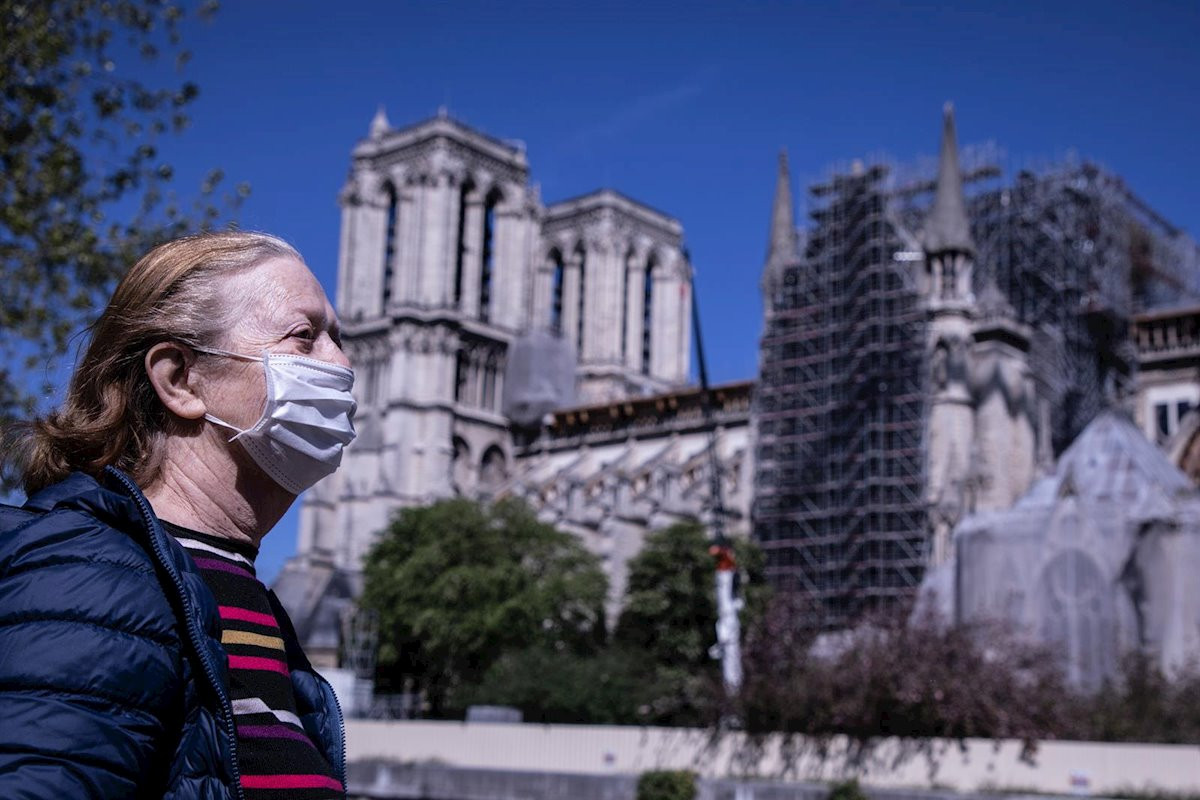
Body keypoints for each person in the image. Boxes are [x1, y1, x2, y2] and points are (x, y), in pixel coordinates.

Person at [0, 231, 356, 799]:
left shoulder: (233, 594)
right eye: (305, 336)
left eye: (338, 339)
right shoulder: (91, 581)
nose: (341, 364)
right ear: (179, 380)